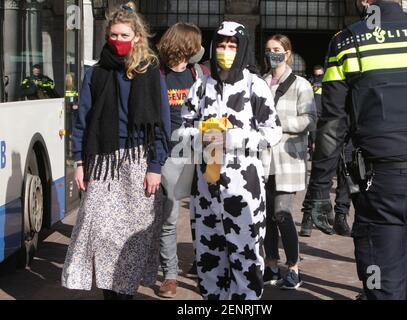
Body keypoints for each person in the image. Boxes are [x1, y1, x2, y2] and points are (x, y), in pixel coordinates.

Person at [303, 0, 407, 300]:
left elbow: (333, 125)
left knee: (381, 284)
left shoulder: (348, 41)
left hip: (381, 184)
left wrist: (318, 192)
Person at [61, 2, 170, 300]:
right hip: (103, 160)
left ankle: (125, 292)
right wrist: (80, 162)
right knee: (101, 232)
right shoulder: (96, 73)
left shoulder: (150, 73)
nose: (118, 41)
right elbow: (82, 120)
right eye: (113, 35)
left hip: (139, 161)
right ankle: (110, 291)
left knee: (133, 236)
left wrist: (155, 166)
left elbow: (161, 124)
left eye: (124, 35)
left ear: (137, 36)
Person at [180, 21, 282, 300]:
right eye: (221, 44)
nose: (226, 50)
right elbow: (184, 127)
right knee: (208, 256)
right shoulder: (201, 86)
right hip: (206, 188)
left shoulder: (255, 86)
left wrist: (234, 139)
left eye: (232, 45)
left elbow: (273, 132)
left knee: (246, 254)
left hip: (244, 185)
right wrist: (198, 136)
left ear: (242, 48)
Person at [156, 22, 210, 298]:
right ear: (186, 44)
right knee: (169, 215)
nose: (201, 48)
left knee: (203, 217)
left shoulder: (200, 74)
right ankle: (170, 275)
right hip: (169, 155)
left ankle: (204, 269)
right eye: (197, 42)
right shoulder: (157, 75)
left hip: (200, 154)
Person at [261, 34, 316, 289]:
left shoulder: (301, 84)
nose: (273, 53)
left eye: (277, 49)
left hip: (287, 158)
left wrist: (278, 125)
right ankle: (271, 265)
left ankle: (293, 267)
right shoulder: (260, 83)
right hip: (262, 160)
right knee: (266, 216)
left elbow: (309, 119)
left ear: (287, 52)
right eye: (269, 49)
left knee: (282, 213)